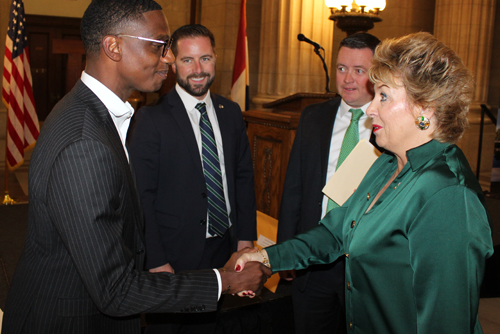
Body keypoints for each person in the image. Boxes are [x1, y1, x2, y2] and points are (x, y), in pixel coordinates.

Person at [1, 0, 270, 334]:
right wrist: (223, 282)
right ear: (114, 47)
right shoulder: (85, 142)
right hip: (70, 319)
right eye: (158, 46)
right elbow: (115, 289)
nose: (169, 59)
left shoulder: (94, 113)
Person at [236, 32, 494, 333]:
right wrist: (266, 256)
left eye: (383, 96)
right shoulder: (386, 164)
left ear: (425, 109)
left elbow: (446, 324)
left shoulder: (447, 195)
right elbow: (336, 232)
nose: (371, 109)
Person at [128, 24, 256, 333]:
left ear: (215, 59)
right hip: (174, 254)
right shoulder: (150, 119)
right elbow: (141, 196)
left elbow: (242, 177)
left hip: (222, 247)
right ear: (172, 62)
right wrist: (156, 261)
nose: (198, 69)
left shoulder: (231, 111)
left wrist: (245, 239)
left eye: (206, 59)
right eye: (188, 60)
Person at [277, 32, 380, 334]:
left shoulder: (390, 123)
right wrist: (288, 250)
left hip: (365, 265)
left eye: (359, 71)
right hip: (314, 260)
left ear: (377, 73)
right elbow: (293, 187)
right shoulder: (313, 117)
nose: (347, 79)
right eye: (341, 68)